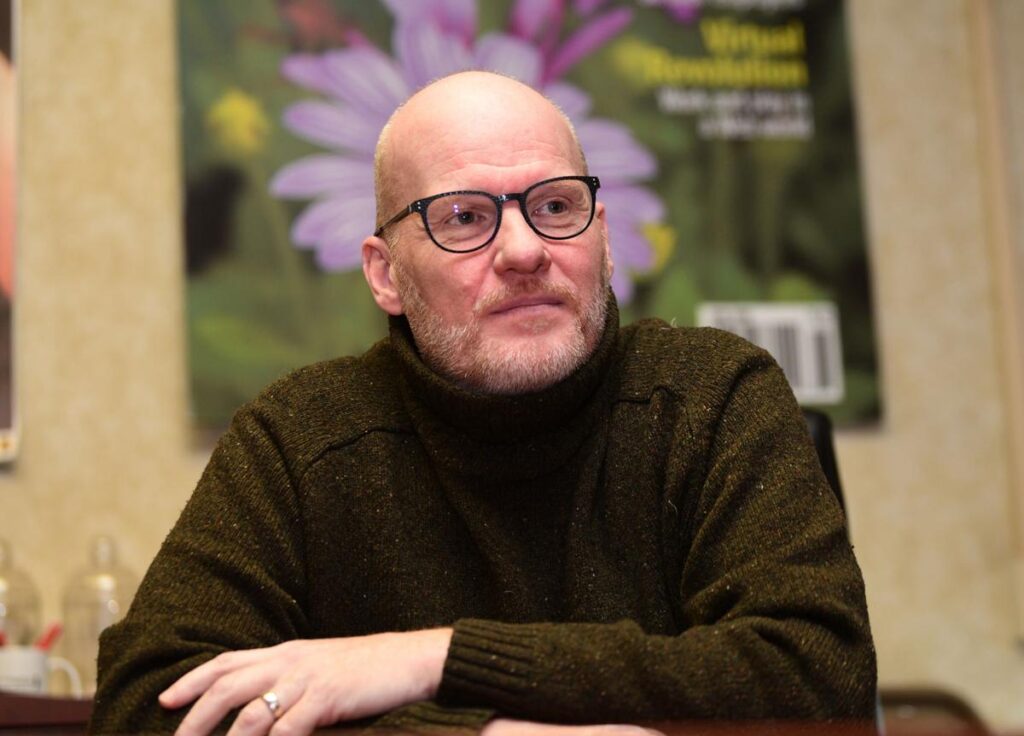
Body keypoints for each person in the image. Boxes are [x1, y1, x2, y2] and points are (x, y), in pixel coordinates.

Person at [90, 71, 876, 735]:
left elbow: (818, 678)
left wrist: (431, 659)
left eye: (557, 207)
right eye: (464, 217)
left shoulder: (713, 395)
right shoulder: (300, 437)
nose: (527, 250)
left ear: (601, 236)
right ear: (385, 274)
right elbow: (147, 701)